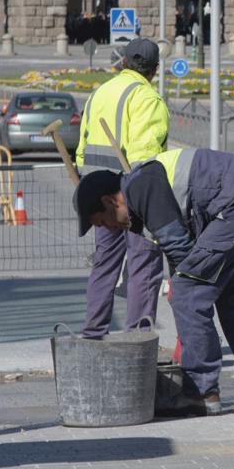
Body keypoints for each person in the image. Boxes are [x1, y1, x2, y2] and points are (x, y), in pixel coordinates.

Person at [73, 149, 234, 415]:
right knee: (232, 297)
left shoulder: (140, 184)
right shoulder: (144, 190)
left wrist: (182, 286)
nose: (109, 228)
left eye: (103, 222)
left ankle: (201, 391)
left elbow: (177, 244)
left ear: (110, 201)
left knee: (188, 291)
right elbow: (187, 248)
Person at [75, 38, 170, 340]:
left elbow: (82, 149)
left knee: (105, 265)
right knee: (144, 267)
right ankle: (137, 339)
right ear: (155, 69)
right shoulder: (146, 98)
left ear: (124, 62)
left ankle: (93, 332)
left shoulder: (100, 92)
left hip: (102, 198)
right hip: (131, 200)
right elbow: (146, 158)